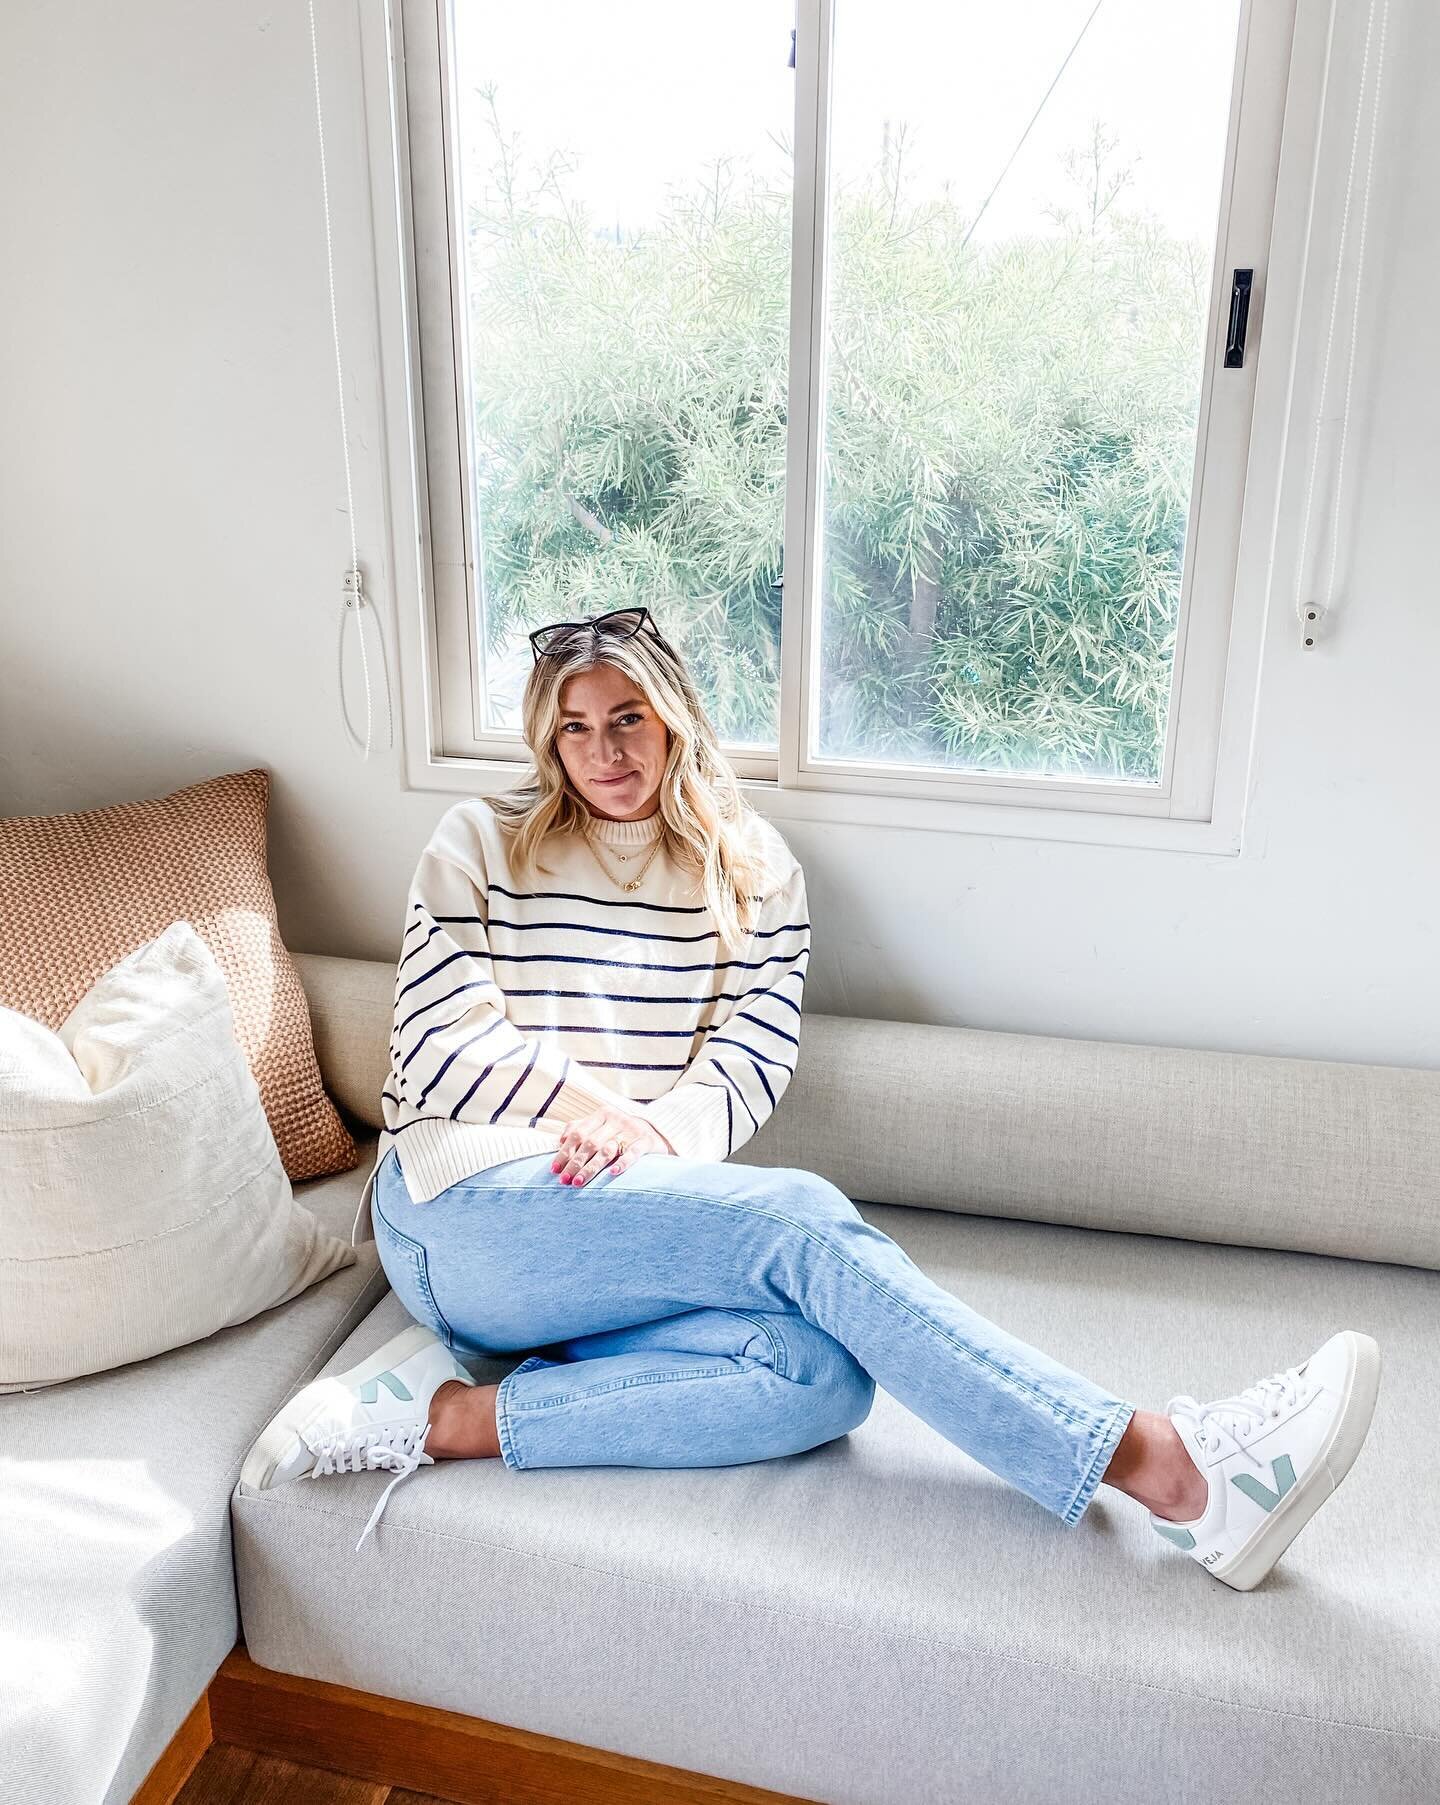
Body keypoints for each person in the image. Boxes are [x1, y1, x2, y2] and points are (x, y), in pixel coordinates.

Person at [243, 606, 1380, 1589]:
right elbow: (437, 1035)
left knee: (819, 1376)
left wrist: (647, 1136)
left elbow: (749, 1061)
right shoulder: (479, 843)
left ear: (675, 717)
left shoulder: (752, 871)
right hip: (461, 1210)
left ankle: (455, 1415)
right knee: (797, 1219)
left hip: (617, 1214)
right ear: (549, 736)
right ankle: (1164, 1464)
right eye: (576, 726)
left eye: (627, 717)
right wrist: (587, 1108)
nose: (603, 751)